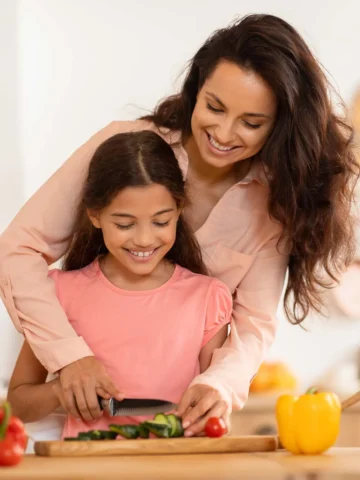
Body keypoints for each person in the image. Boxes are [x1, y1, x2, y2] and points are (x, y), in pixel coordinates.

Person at [0, 13, 358, 437]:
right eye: (214, 107)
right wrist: (67, 355)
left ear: (280, 125)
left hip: (179, 438)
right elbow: (18, 249)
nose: (224, 133)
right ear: (195, 89)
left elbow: (253, 324)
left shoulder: (274, 204)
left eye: (251, 123)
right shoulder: (125, 149)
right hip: (74, 437)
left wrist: (219, 384)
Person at [6, 131, 232, 439]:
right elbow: (18, 404)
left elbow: (211, 403)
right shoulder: (58, 295)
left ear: (179, 210)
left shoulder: (206, 298)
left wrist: (213, 409)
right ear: (95, 215)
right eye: (124, 224)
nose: (143, 239)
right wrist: (61, 391)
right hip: (88, 469)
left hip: (178, 468)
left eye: (161, 222)